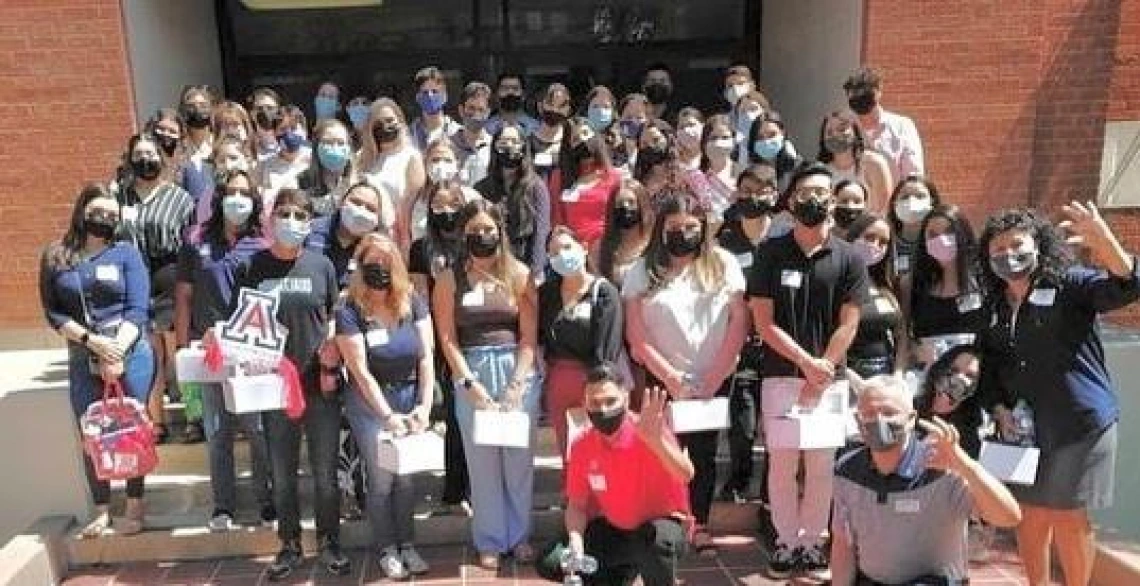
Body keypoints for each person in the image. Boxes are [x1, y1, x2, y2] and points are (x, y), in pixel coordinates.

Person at [976, 204, 1139, 586]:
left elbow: (1125, 287)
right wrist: (998, 408)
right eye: (997, 250)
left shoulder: (1068, 285)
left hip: (1080, 423)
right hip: (1026, 430)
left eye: (1017, 245)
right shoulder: (994, 306)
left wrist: (1106, 242)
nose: (1008, 255)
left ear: (1038, 245)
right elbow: (992, 365)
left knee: (1067, 514)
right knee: (1028, 513)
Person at [747, 162, 869, 579]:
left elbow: (849, 322)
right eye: (803, 194)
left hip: (828, 381)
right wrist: (805, 363)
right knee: (782, 463)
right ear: (790, 201)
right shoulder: (770, 252)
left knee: (820, 465)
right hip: (782, 375)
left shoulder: (850, 256)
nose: (812, 200)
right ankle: (786, 541)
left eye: (820, 192)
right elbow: (763, 322)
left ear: (833, 202)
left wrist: (825, 368)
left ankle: (814, 542)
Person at [231, 189, 349, 580]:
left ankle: (330, 543)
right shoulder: (253, 267)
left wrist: (333, 355)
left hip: (319, 386)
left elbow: (333, 317)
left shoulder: (322, 265)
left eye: (301, 214)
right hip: (274, 387)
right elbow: (241, 325)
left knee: (325, 473)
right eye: (285, 213)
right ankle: (290, 544)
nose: (292, 221)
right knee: (282, 474)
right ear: (271, 218)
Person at [623, 190, 748, 555]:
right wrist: (672, 378)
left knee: (705, 455)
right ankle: (667, 519)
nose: (683, 233)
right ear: (661, 229)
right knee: (662, 451)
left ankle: (700, 522)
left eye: (691, 226)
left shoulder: (724, 263)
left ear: (704, 227)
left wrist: (714, 377)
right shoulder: (642, 269)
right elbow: (636, 334)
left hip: (715, 376)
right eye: (675, 226)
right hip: (664, 379)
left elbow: (739, 322)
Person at [40, 183, 155, 538]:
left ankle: (135, 505)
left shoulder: (126, 254)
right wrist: (93, 343)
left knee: (130, 428)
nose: (104, 220)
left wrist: (115, 350)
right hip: (82, 351)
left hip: (129, 351)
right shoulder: (56, 255)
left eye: (111, 215)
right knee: (92, 433)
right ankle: (103, 509)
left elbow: (138, 309)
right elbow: (54, 312)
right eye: (97, 213)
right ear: (82, 212)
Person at [830, 374, 1021, 585]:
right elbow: (843, 544)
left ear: (911, 419)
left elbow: (1008, 516)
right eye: (869, 414)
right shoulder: (846, 470)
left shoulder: (941, 465)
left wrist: (964, 466)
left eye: (889, 413)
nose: (879, 421)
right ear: (858, 421)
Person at [433, 199, 541, 569]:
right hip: (472, 370)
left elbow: (529, 336)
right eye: (474, 231)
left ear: (501, 232)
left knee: (518, 460)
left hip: (515, 368)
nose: (483, 236)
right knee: (482, 463)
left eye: (489, 230)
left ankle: (520, 535)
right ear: (464, 235)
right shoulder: (450, 280)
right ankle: (491, 538)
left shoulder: (519, 274)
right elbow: (446, 337)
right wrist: (467, 382)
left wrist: (517, 384)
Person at [173, 169, 274, 532]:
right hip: (208, 351)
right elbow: (183, 296)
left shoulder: (263, 243)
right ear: (217, 199)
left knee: (259, 430)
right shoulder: (195, 240)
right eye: (230, 192)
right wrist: (183, 347)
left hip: (249, 351)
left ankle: (268, 502)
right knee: (217, 433)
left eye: (245, 193)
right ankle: (223, 507)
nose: (237, 200)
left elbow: (268, 301)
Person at [335, 234, 434, 579]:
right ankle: (387, 548)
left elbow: (426, 357)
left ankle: (407, 544)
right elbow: (359, 370)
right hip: (369, 403)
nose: (379, 269)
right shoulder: (349, 309)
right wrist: (387, 416)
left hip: (408, 395)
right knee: (381, 481)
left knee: (406, 478)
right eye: (371, 263)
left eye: (385, 262)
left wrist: (424, 405)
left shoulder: (413, 300)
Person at [538, 368, 693, 586]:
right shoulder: (582, 445)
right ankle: (619, 576)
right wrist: (576, 540)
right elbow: (577, 505)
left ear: (626, 399)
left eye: (611, 401)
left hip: (662, 526)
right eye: (595, 402)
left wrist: (656, 442)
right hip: (618, 528)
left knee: (655, 544)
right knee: (551, 560)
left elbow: (686, 474)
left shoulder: (648, 429)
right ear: (585, 404)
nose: (603, 409)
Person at [115, 133, 196, 444]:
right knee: (150, 355)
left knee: (179, 353)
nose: (145, 159)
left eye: (151, 153)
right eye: (139, 153)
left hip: (170, 280)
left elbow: (189, 242)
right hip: (134, 283)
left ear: (162, 158)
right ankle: (155, 420)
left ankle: (194, 416)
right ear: (130, 158)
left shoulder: (180, 198)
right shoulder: (119, 197)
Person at [407, 180, 476, 515]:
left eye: (454, 204)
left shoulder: (475, 240)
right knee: (453, 412)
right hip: (442, 335)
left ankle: (479, 484)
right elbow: (420, 296)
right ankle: (454, 488)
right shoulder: (421, 249)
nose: (447, 212)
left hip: (477, 330)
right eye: (439, 205)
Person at [714, 164, 779, 502]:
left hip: (779, 344)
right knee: (743, 421)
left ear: (775, 194)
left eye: (762, 189)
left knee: (775, 422)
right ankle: (738, 480)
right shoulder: (724, 239)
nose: (754, 196)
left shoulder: (784, 237)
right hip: (739, 345)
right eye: (747, 189)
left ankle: (771, 488)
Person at [539, 226, 624, 460]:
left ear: (583, 249)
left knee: (598, 446)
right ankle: (572, 494)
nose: (561, 256)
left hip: (594, 381)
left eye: (567, 247)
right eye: (554, 253)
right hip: (559, 380)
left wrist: (597, 384)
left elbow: (609, 343)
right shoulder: (548, 294)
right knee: (568, 448)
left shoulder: (603, 292)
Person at [902, 204, 985, 369]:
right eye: (932, 235)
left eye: (949, 232)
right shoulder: (912, 284)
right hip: (930, 375)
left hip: (976, 374)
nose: (941, 239)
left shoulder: (984, 280)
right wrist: (916, 350)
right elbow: (904, 334)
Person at [474, 123, 551, 277]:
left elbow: (541, 231)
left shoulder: (536, 186)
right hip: (491, 264)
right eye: (503, 142)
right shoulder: (481, 188)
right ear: (494, 147)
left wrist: (536, 270)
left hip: (525, 263)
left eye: (515, 142)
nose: (509, 146)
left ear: (524, 147)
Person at [843, 213, 907, 378]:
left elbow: (901, 335)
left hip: (886, 373)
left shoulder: (885, 287)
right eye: (869, 237)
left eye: (883, 242)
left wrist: (898, 374)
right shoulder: (836, 282)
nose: (875, 245)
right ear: (854, 236)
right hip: (850, 375)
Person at [843, 66, 925, 182]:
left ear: (879, 92)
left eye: (864, 93)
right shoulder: (842, 127)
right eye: (854, 94)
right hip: (852, 198)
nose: (860, 98)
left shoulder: (902, 127)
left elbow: (913, 175)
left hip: (892, 198)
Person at [359, 97, 426, 238]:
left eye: (390, 120)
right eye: (379, 123)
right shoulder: (362, 158)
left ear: (400, 121)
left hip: (397, 235)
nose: (385, 126)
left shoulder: (411, 157)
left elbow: (410, 207)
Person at [305, 181, 388, 290]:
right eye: (356, 202)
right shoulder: (309, 231)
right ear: (341, 202)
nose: (361, 211)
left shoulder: (377, 249)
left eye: (370, 208)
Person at [554, 118, 622, 250]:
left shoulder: (614, 177)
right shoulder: (559, 178)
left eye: (586, 134)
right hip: (573, 251)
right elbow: (558, 221)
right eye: (576, 139)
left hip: (607, 248)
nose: (583, 141)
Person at [817, 111, 893, 215]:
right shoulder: (822, 171)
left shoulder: (873, 163)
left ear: (855, 131)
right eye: (829, 132)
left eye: (841, 129)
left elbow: (883, 209)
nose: (835, 134)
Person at [592, 179, 653, 289]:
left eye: (631, 202)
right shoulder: (600, 248)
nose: (625, 207)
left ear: (642, 205)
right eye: (619, 203)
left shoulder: (654, 241)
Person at [253, 107, 311, 213]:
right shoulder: (265, 165)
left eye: (293, 128)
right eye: (283, 129)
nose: (289, 134)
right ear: (274, 134)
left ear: (304, 130)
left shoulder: (314, 160)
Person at [297, 118, 357, 218]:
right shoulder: (300, 183)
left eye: (341, 143)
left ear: (349, 148)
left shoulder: (359, 184)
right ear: (316, 147)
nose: (335, 148)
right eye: (328, 142)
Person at [887, 174, 941, 277]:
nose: (911, 201)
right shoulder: (884, 242)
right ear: (895, 203)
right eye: (905, 197)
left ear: (932, 202)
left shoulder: (940, 241)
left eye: (920, 196)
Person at [531, 83, 572, 195]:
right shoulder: (528, 141)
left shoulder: (573, 139)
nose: (555, 110)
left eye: (561, 106)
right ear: (540, 106)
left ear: (568, 110)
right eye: (550, 104)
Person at [451, 81, 494, 186]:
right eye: (471, 108)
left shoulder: (493, 146)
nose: (475, 114)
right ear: (461, 110)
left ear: (488, 112)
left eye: (481, 110)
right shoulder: (448, 145)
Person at [697, 114, 740, 220]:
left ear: (733, 142)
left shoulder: (743, 174)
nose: (719, 142)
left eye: (725, 137)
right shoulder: (695, 176)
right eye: (713, 138)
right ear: (704, 143)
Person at [409, 66, 461, 151]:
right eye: (425, 92)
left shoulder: (457, 133)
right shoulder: (408, 135)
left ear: (445, 96)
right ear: (417, 97)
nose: (430, 96)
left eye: (435, 91)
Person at [746, 110, 801, 188]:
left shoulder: (798, 167)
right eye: (760, 137)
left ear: (783, 133)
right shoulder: (748, 168)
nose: (766, 141)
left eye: (772, 134)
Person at [486, 72, 539, 137]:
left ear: (523, 95)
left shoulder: (536, 127)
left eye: (515, 88)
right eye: (505, 88)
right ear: (496, 95)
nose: (510, 92)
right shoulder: (486, 127)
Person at [247, 87, 286, 162]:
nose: (265, 112)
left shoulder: (291, 142)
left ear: (279, 111)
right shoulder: (246, 147)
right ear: (252, 114)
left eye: (270, 108)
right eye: (259, 108)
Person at [616, 93, 650, 175]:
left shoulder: (652, 154)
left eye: (639, 118)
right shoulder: (607, 150)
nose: (633, 122)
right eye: (629, 117)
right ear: (619, 118)